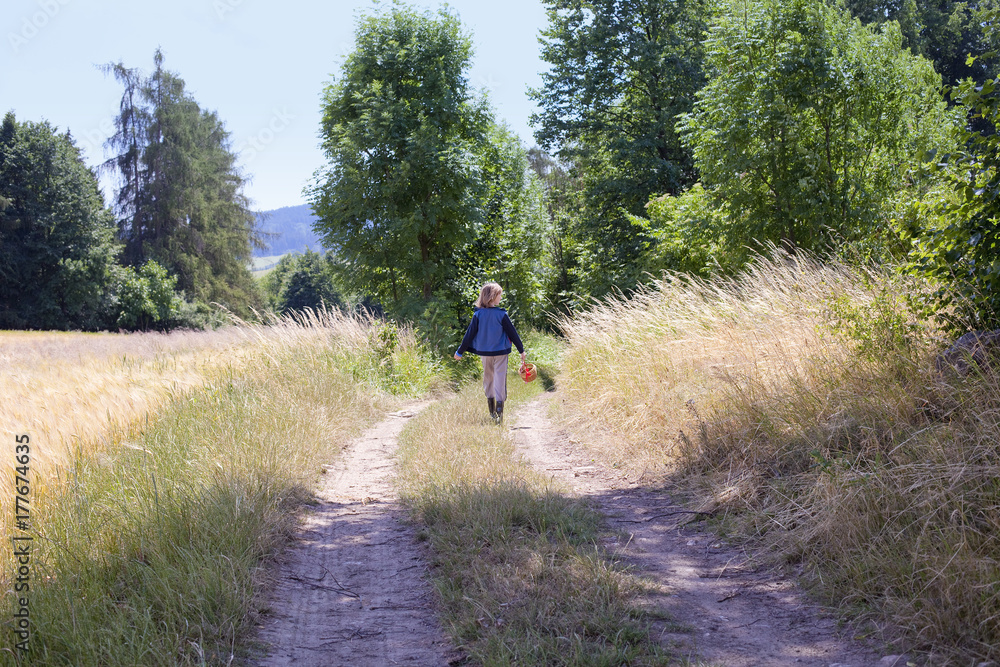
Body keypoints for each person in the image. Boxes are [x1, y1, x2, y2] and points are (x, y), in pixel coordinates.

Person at [454, 282, 526, 425]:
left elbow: (469, 334)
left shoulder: (478, 314)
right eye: (499, 295)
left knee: (488, 378)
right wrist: (521, 350)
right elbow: (513, 333)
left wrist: (459, 352)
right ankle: (499, 415)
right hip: (501, 353)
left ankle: (492, 413)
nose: (501, 297)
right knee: (500, 378)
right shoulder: (501, 314)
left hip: (485, 353)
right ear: (492, 296)